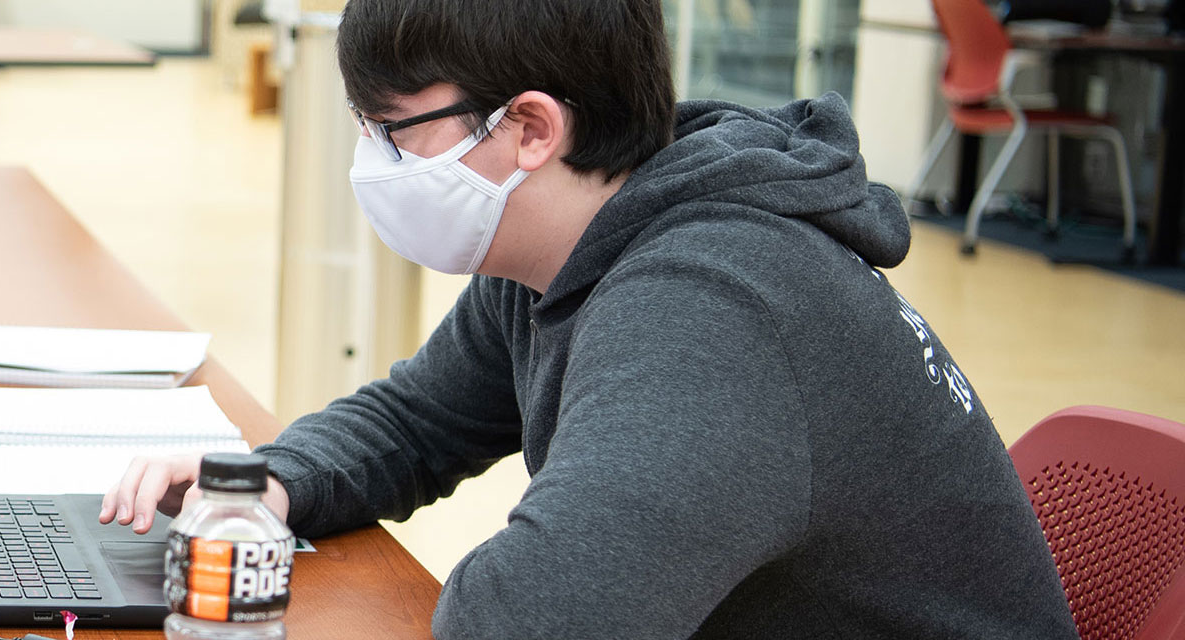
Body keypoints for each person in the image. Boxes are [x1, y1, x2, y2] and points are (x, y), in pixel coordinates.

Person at [100, 0, 1081, 637]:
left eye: (392, 134)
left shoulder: (708, 309)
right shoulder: (570, 240)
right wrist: (268, 484)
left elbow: (532, 618)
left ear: (529, 127)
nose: (373, 165)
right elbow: (414, 421)